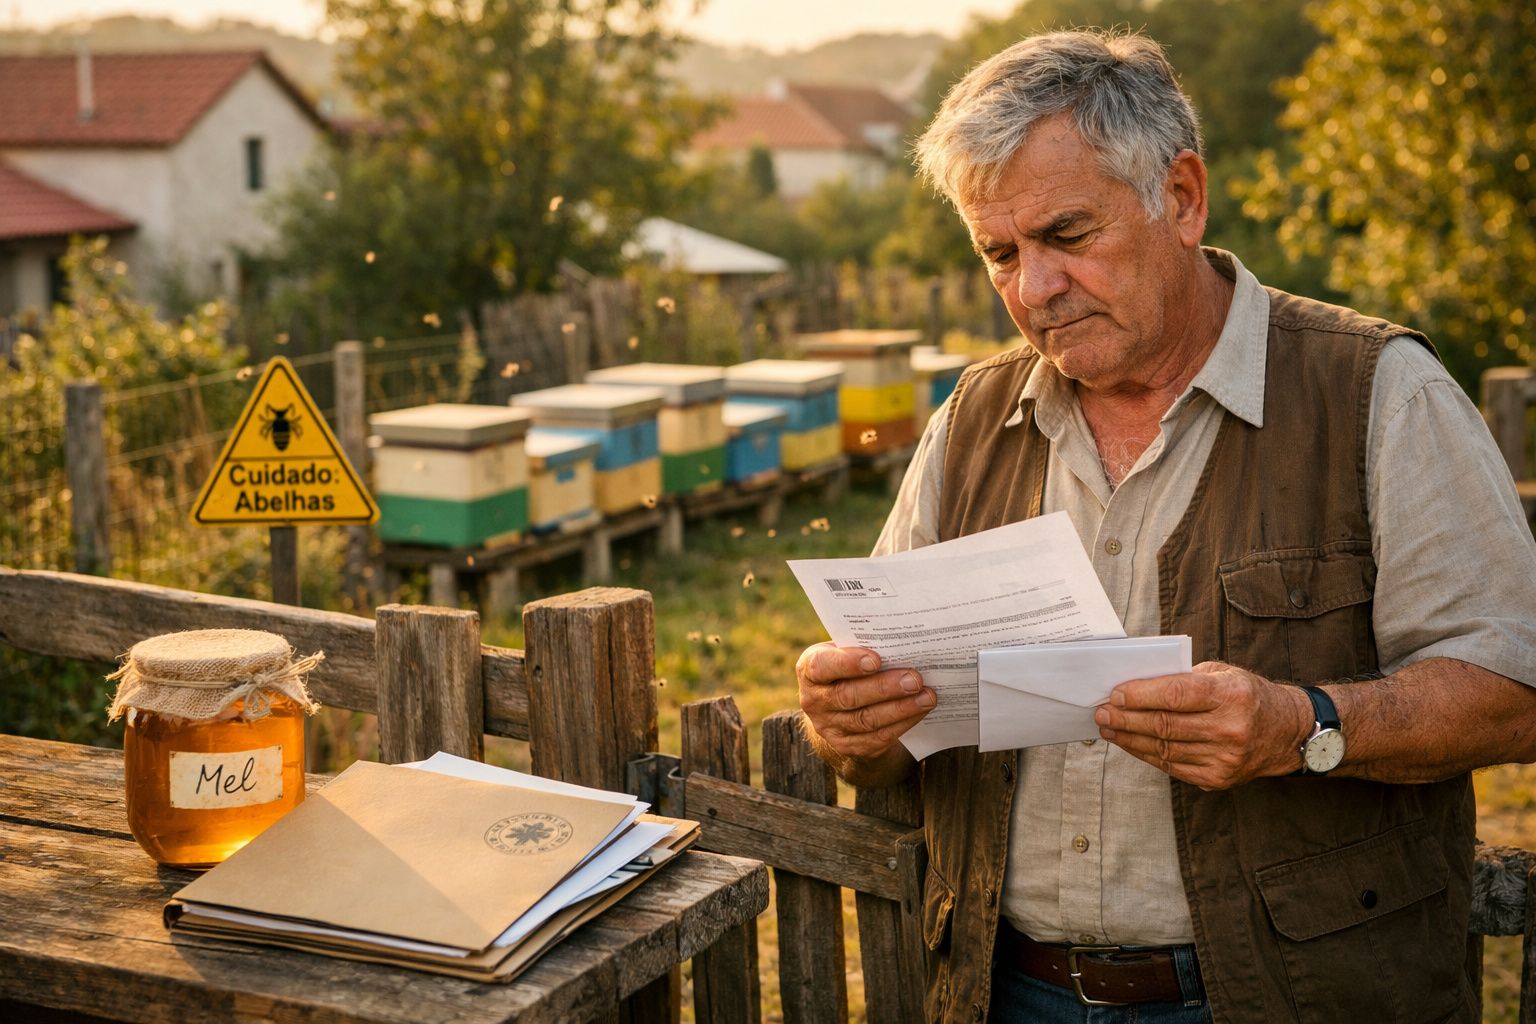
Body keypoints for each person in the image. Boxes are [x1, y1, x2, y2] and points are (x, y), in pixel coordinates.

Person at [794, 29, 1536, 1024]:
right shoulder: (970, 420)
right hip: (1006, 991)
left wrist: (1302, 726)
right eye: (998, 253)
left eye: (1067, 234)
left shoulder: (1375, 391)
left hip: (1297, 996)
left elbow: (1511, 691)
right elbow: (882, 743)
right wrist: (851, 727)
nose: (1032, 289)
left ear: (1181, 198)